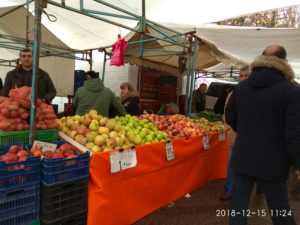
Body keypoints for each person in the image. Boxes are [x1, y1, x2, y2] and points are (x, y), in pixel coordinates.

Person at [225, 45, 300, 225]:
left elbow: (230, 117)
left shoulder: (241, 88)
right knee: (279, 210)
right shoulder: (291, 91)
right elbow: (294, 133)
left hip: (243, 155)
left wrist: (247, 134)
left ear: (261, 59)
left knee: (238, 207)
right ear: (284, 62)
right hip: (273, 159)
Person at [219, 65, 250, 201]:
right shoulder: (232, 94)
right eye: (241, 76)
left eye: (246, 76)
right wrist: (228, 128)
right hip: (234, 135)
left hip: (251, 137)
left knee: (249, 165)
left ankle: (250, 189)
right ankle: (229, 190)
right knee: (231, 163)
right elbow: (226, 113)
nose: (242, 78)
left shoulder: (257, 93)